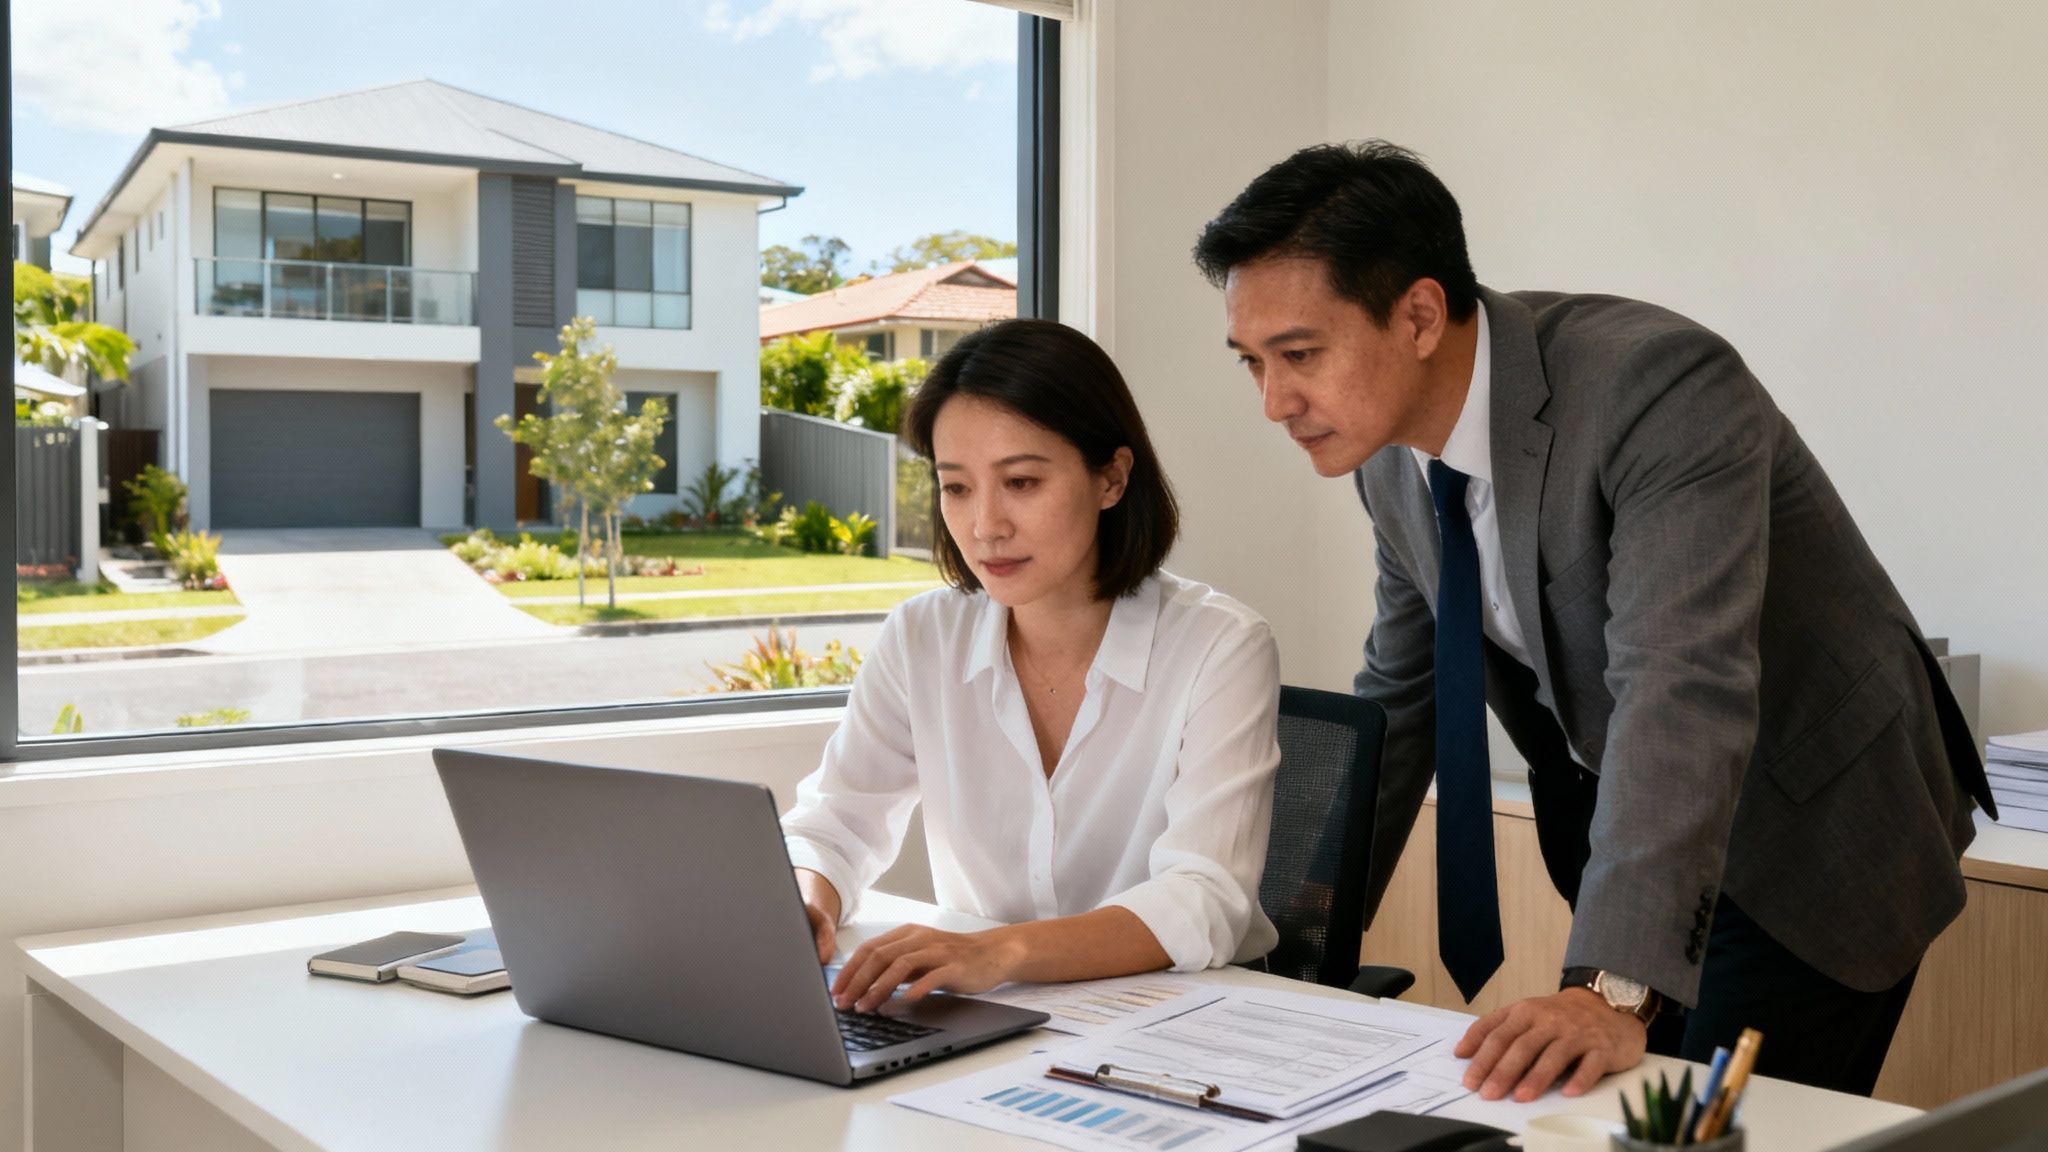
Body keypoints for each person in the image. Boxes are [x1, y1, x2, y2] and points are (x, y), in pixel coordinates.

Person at [1192, 142, 1993, 1100]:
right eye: (1253, 364)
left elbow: (1679, 683)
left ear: (1417, 315)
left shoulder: (1657, 385)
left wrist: (1612, 989)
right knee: (1612, 1112)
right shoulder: (1385, 459)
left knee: (1705, 1129)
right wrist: (1279, 942)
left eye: (1300, 355)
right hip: (1637, 831)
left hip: (1813, 819)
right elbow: (1401, 702)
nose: (1276, 402)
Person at [782, 317, 1283, 1015]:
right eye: (956, 487)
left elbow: (1204, 898)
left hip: (1178, 1019)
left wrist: (998, 952)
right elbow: (835, 822)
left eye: (1020, 482)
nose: (985, 525)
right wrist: (806, 903)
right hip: (988, 1016)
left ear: (1111, 476)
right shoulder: (922, 637)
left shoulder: (1219, 646)